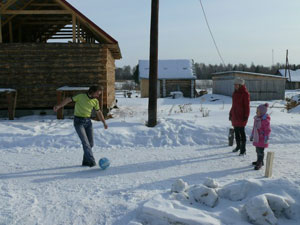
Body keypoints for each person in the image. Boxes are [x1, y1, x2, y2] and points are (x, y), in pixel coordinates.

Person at [53, 86, 108, 167]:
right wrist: (59, 106)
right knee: (85, 143)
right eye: (97, 94)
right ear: (92, 91)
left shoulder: (95, 101)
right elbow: (68, 99)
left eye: (99, 94)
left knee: (91, 144)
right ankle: (92, 162)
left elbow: (98, 112)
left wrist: (104, 122)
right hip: (79, 122)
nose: (98, 96)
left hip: (88, 122)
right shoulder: (81, 96)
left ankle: (85, 162)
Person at [229, 77, 250, 155]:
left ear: (240, 85)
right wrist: (230, 113)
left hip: (241, 116)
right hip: (235, 115)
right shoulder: (235, 93)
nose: (235, 86)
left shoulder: (245, 94)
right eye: (234, 84)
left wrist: (246, 116)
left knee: (242, 132)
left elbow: (247, 106)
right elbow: (233, 105)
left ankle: (243, 149)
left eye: (236, 84)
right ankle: (238, 146)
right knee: (236, 132)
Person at [250, 103, 271, 170]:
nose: (256, 112)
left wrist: (266, 137)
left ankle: (260, 163)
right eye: (256, 111)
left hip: (262, 138)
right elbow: (254, 128)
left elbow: (268, 130)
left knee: (260, 151)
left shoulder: (265, 120)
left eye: (258, 111)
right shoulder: (256, 119)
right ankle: (259, 161)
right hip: (257, 137)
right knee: (257, 150)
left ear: (262, 112)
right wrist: (252, 135)